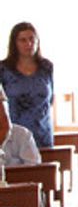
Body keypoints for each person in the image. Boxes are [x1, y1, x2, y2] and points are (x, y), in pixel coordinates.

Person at [1, 22, 54, 151]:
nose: (29, 44)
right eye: (23, 40)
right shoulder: (4, 69)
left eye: (32, 39)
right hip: (15, 135)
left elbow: (51, 98)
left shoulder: (46, 67)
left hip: (42, 132)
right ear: (15, 43)